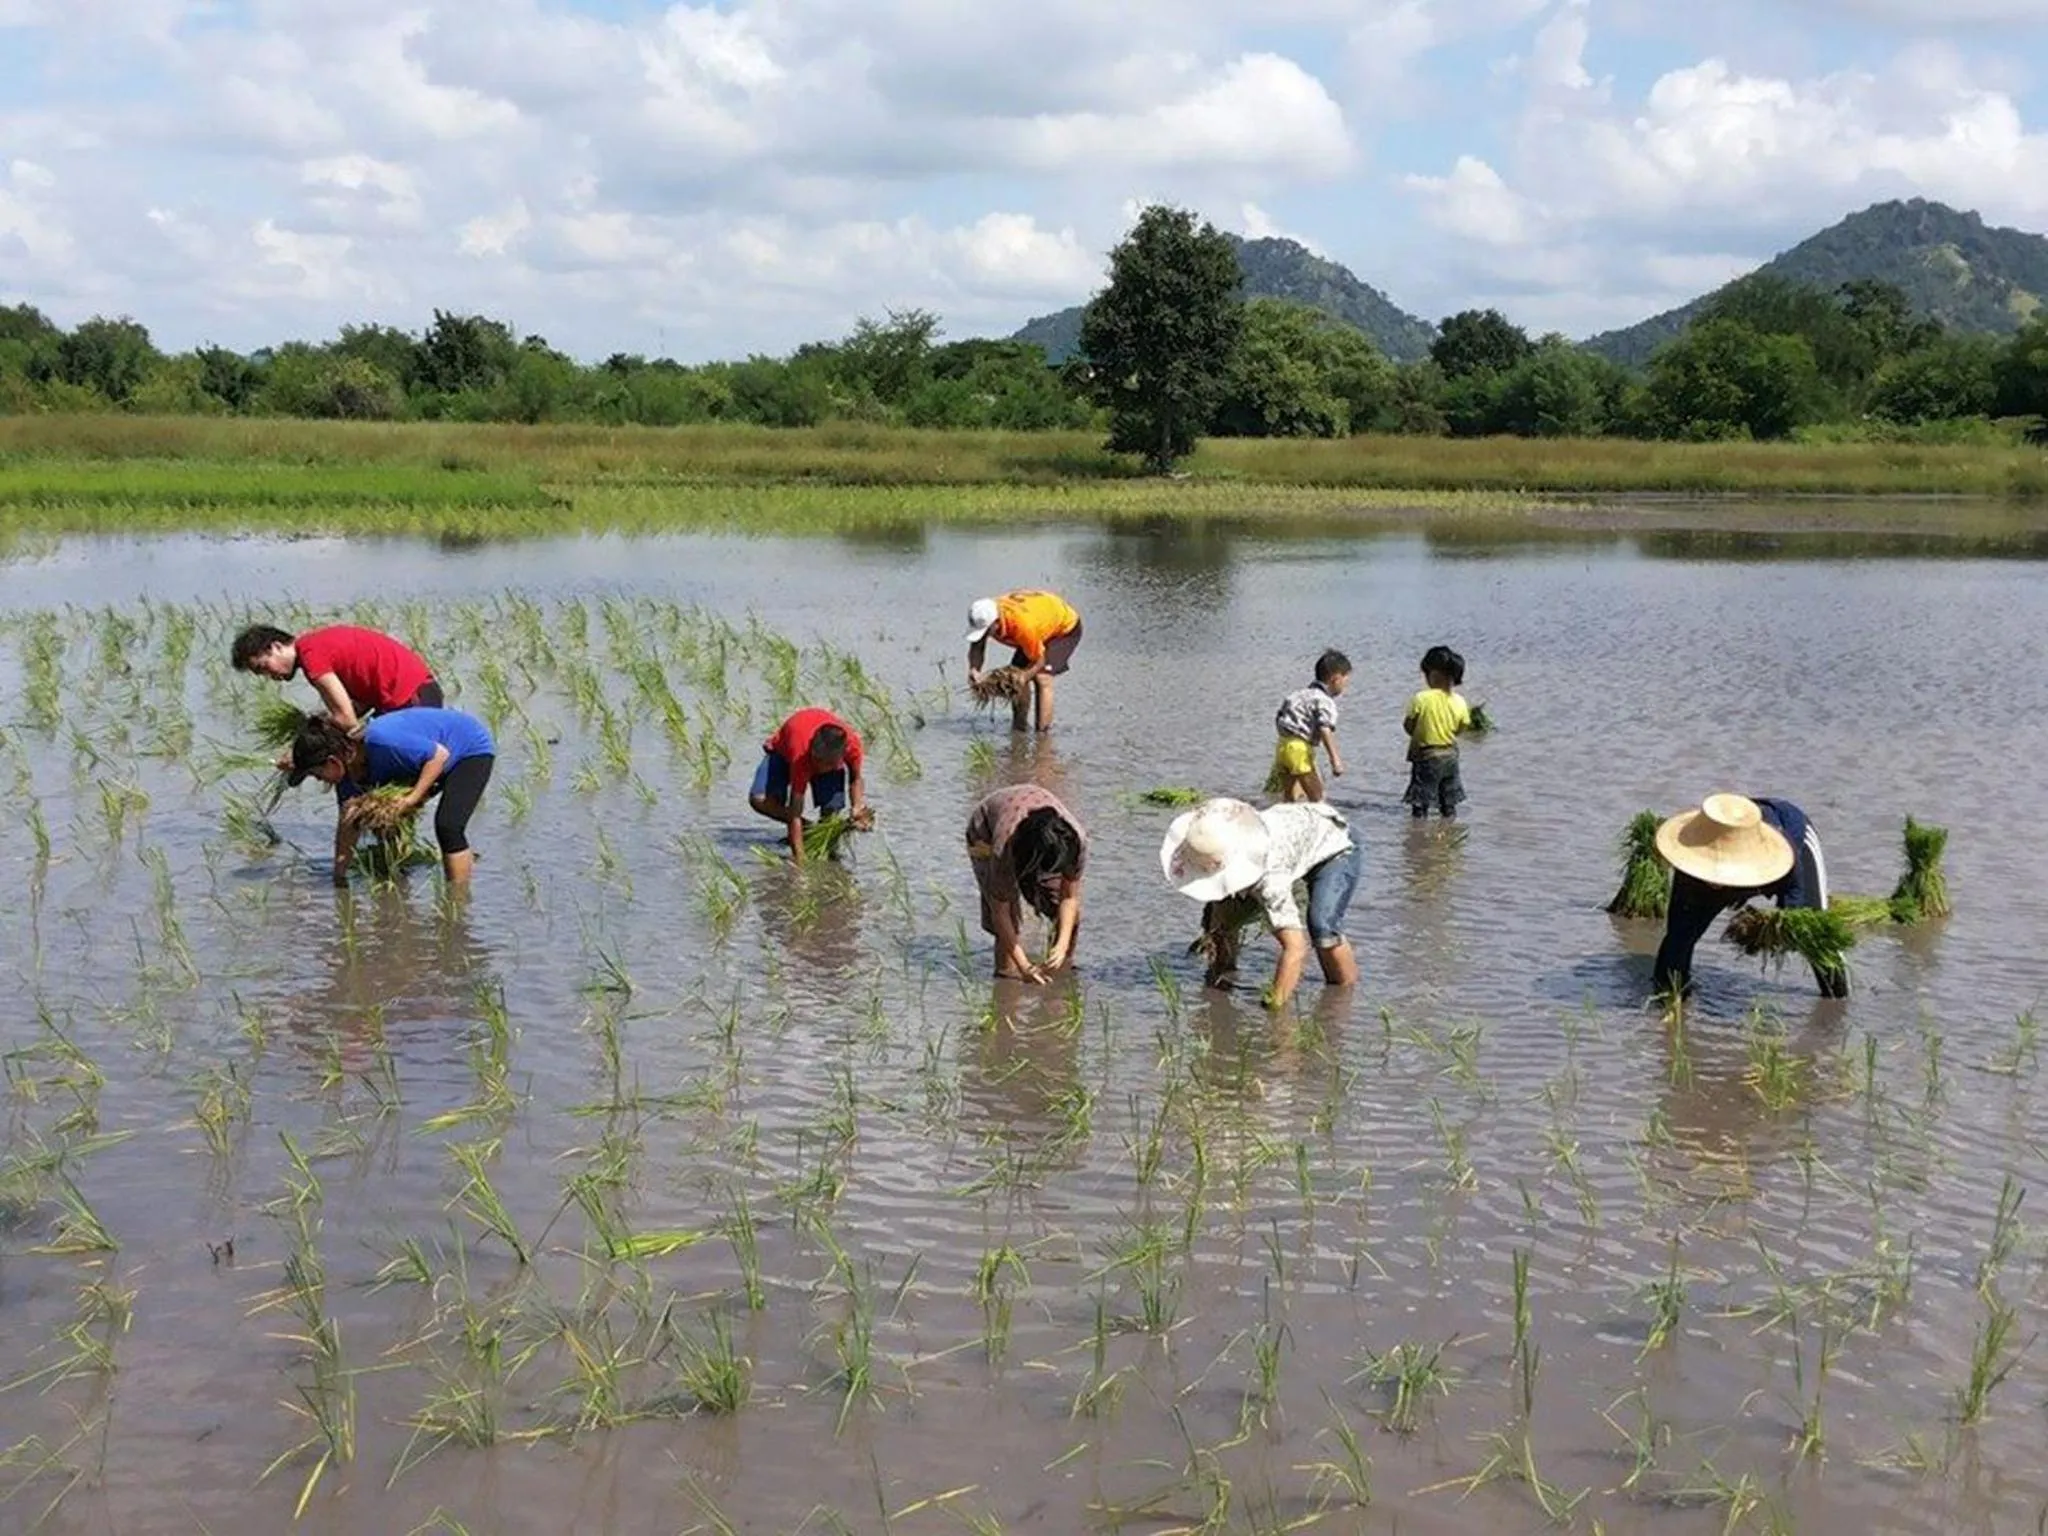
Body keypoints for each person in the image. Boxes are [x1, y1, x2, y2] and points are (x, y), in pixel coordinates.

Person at [1162, 796, 1360, 1012]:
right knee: (1220, 922)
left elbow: (1296, 948)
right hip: (1294, 835)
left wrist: (1274, 1007)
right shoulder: (1211, 830)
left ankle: (1341, 1001)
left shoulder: (1270, 881)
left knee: (1322, 927)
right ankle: (1219, 982)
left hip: (1335, 844)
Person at [1651, 793, 1848, 1000]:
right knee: (1681, 936)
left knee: (1814, 933)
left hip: (1790, 841)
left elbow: (1795, 908)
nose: (1715, 882)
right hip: (1720, 858)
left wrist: (1774, 927)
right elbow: (1676, 939)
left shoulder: (1783, 855)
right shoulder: (1689, 866)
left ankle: (1838, 999)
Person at [286, 708, 495, 888]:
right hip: (426, 761)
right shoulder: (346, 777)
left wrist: (411, 799)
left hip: (468, 748)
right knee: (382, 822)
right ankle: (400, 878)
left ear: (333, 762)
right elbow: (349, 822)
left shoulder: (381, 741)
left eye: (316, 774)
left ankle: (457, 901)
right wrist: (339, 874)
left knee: (448, 826)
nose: (320, 780)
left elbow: (438, 755)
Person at [966, 784, 1087, 983]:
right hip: (985, 834)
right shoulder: (1002, 849)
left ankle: (1060, 972)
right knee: (1009, 919)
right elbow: (1000, 912)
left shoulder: (1074, 841)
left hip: (1040, 843)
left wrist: (1062, 945)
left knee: (1066, 915)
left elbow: (1069, 897)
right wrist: (1024, 967)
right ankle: (1006, 979)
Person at [232, 623, 443, 729]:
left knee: (361, 770)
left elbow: (347, 721)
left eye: (264, 667)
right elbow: (358, 704)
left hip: (414, 700)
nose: (269, 676)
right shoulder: (313, 646)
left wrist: (301, 749)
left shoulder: (312, 658)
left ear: (276, 647)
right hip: (417, 695)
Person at [749, 707, 872, 863]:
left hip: (826, 759)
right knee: (759, 799)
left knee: (830, 814)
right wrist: (799, 860)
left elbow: (855, 778)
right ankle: (809, 829)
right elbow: (794, 814)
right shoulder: (801, 754)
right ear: (812, 746)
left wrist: (857, 807)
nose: (819, 767)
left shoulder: (852, 747)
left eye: (826, 763)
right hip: (785, 753)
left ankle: (824, 848)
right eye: (817, 760)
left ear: (842, 755)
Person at [965, 590, 1083, 733]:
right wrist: (974, 670)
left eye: (985, 631)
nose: (983, 634)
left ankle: (1043, 735)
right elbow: (977, 646)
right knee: (1016, 675)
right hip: (1038, 623)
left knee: (1042, 677)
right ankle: (1019, 729)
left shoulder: (1022, 625)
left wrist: (1024, 677)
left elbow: (1039, 661)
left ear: (996, 622)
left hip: (1063, 628)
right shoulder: (987, 614)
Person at [1268, 648, 1350, 802]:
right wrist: (1335, 760)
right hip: (1299, 750)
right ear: (1336, 678)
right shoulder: (1325, 701)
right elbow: (1325, 729)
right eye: (1346, 680)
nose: (1346, 686)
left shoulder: (1298, 695)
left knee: (1290, 798)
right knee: (1318, 799)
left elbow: (1280, 716)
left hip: (1283, 746)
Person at [1403, 644, 1471, 820]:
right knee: (1449, 799)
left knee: (1420, 800)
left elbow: (1409, 724)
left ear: (1434, 674)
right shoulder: (1460, 701)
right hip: (1450, 755)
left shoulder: (1421, 698)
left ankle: (1419, 832)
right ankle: (1449, 827)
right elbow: (1461, 727)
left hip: (1427, 756)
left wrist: (1417, 732)